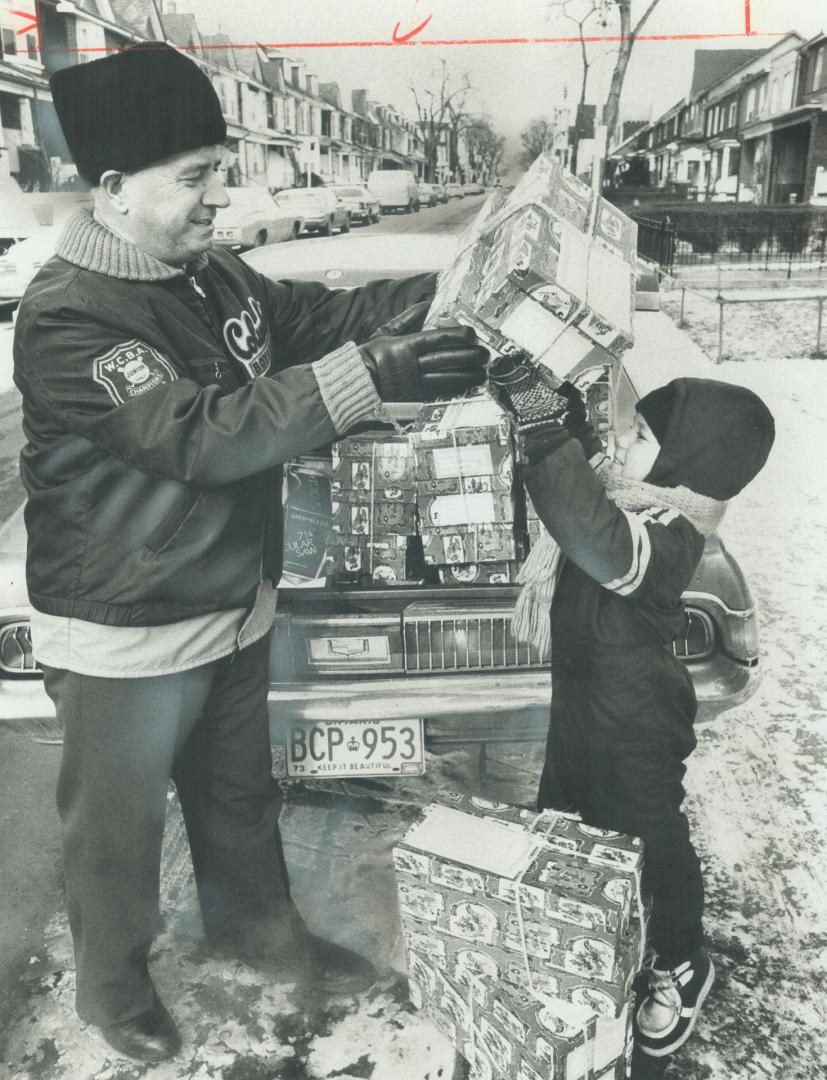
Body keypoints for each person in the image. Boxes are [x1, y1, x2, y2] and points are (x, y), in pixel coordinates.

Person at [13, 43, 487, 1063]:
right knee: (118, 836)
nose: (219, 199)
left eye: (220, 171)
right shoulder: (67, 318)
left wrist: (443, 285)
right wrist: (367, 377)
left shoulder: (208, 272)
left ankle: (260, 943)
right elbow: (197, 433)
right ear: (111, 189)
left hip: (229, 604)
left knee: (237, 804)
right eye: (194, 178)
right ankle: (113, 992)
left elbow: (312, 322)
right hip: (125, 632)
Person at [489, 357, 774, 1058]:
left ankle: (681, 961)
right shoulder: (629, 493)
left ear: (687, 460)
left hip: (638, 717)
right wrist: (547, 402)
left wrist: (542, 434)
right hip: (585, 703)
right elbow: (585, 471)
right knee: (567, 822)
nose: (621, 447)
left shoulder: (670, 534)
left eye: (641, 437)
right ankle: (587, 945)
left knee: (647, 838)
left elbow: (597, 538)